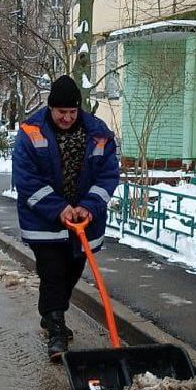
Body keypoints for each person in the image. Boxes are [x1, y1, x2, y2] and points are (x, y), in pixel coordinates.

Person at [12, 75, 120, 361]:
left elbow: (108, 174)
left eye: (72, 112)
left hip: (83, 222)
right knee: (52, 272)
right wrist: (58, 208)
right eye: (62, 112)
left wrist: (89, 206)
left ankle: (51, 313)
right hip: (45, 223)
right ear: (51, 109)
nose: (67, 118)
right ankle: (57, 332)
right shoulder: (31, 132)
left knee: (71, 271)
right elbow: (26, 180)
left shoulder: (98, 133)